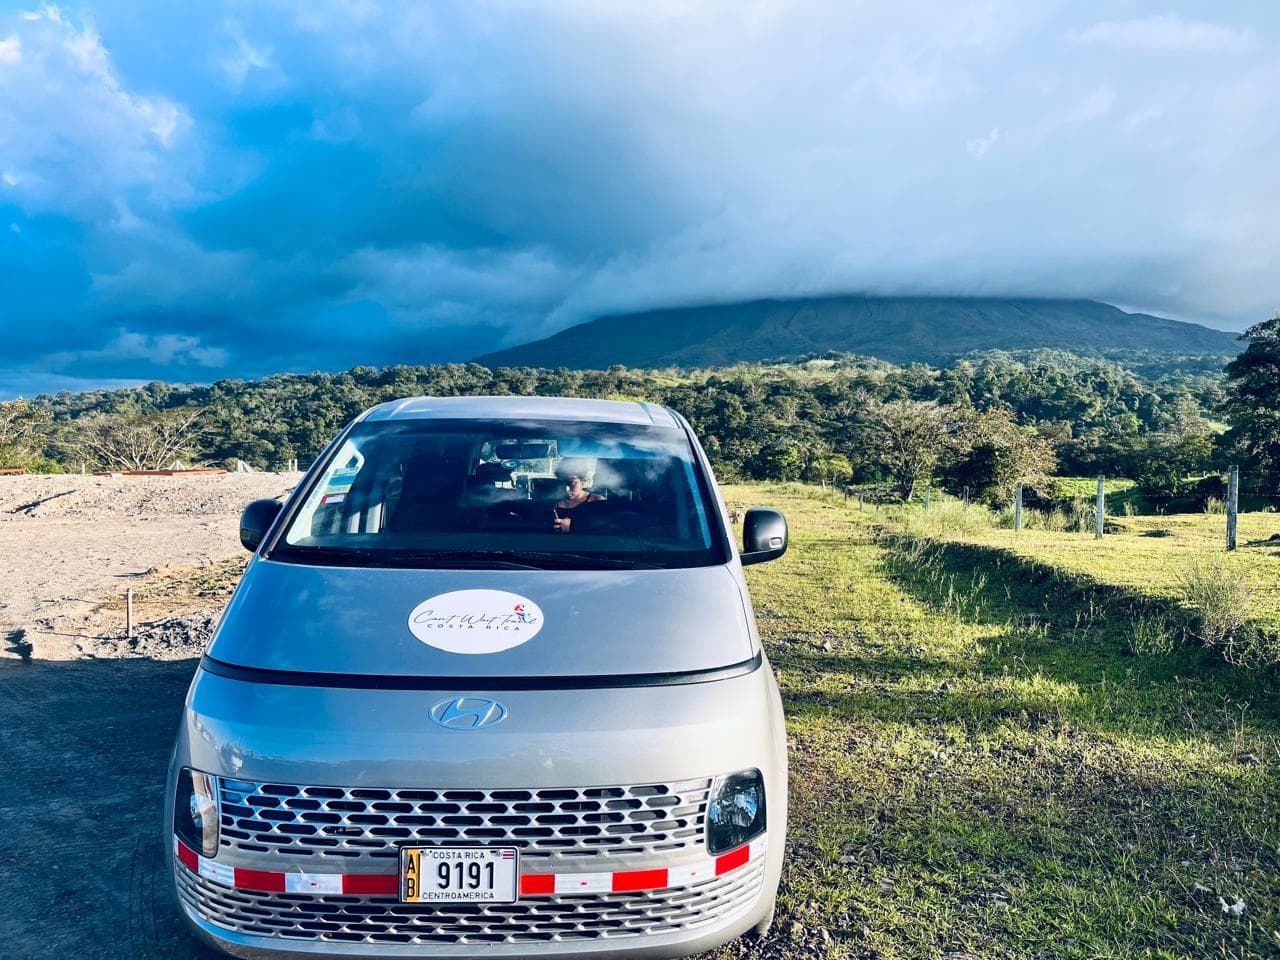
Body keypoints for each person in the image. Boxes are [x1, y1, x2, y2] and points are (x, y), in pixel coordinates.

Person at [552, 458, 603, 533]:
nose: (566, 489)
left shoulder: (597, 501)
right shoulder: (552, 502)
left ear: (583, 481)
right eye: (562, 482)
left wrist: (574, 527)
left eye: (572, 483)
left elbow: (605, 530)